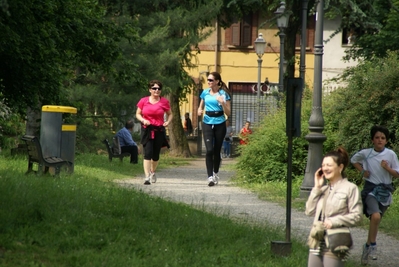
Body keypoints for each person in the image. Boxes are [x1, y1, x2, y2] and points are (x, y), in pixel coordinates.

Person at [306, 147, 362, 267]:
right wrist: (316, 188)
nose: (325, 168)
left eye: (329, 165)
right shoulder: (323, 189)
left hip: (336, 241)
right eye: (323, 165)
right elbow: (309, 211)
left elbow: (357, 216)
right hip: (316, 241)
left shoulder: (350, 188)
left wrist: (334, 221)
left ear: (340, 167)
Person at [350, 125, 399, 265]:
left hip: (385, 192)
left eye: (383, 138)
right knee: (375, 216)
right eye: (377, 137)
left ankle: (367, 247)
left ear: (386, 141)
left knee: (375, 221)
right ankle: (373, 246)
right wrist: (362, 171)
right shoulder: (366, 153)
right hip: (370, 190)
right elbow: (354, 160)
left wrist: (387, 168)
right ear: (372, 140)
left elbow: (397, 174)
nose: (380, 140)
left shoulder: (391, 155)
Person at [136, 80, 173, 185]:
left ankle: (152, 171)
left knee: (155, 155)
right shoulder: (143, 101)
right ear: (150, 90)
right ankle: (147, 176)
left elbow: (170, 114)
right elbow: (138, 114)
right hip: (147, 129)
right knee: (147, 153)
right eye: (154, 88)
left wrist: (167, 122)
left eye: (159, 89)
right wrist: (143, 120)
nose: (157, 90)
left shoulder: (164, 102)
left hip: (159, 129)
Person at [197, 71, 231, 186]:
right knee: (209, 150)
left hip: (220, 122)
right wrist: (199, 110)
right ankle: (210, 177)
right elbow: (201, 105)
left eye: (211, 80)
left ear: (217, 81)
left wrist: (222, 103)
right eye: (208, 80)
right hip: (207, 121)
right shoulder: (205, 92)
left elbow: (228, 113)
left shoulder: (223, 94)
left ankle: (215, 172)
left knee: (216, 150)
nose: (209, 82)